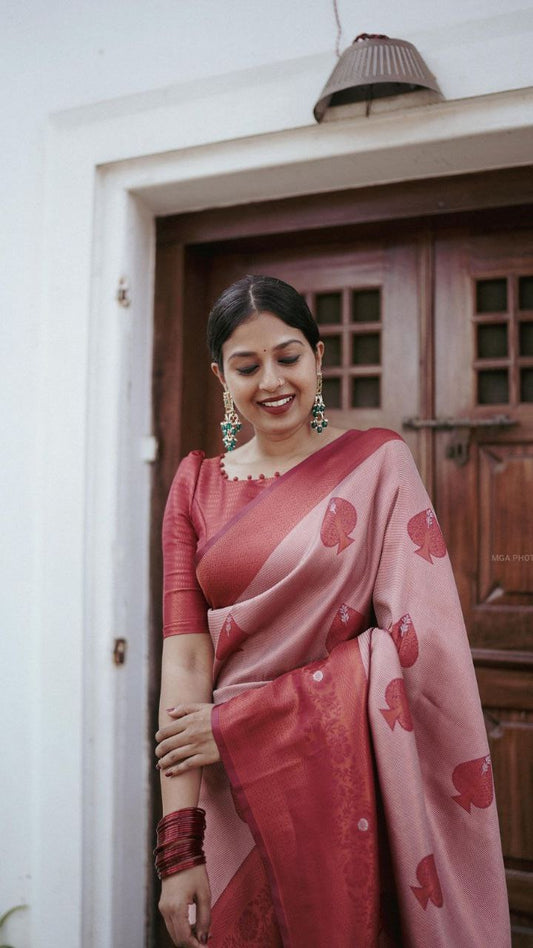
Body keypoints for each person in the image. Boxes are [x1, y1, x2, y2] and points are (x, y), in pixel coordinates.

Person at [154, 274, 510, 948]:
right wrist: (180, 846)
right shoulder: (195, 485)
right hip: (225, 786)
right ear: (218, 376)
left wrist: (245, 722)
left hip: (338, 775)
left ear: (318, 357)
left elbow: (421, 646)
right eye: (246, 364)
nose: (271, 380)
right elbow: (186, 657)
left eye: (287, 356)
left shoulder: (378, 464)